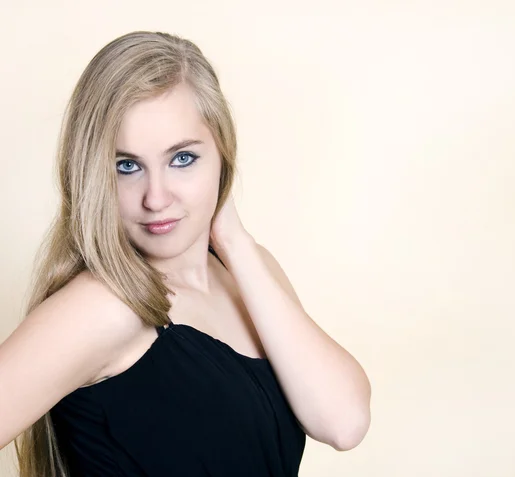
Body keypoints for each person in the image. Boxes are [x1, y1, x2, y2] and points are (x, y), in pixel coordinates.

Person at [0, 31, 372, 476]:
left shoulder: (249, 274)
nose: (156, 198)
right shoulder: (102, 307)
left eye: (182, 159)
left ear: (222, 152)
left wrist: (234, 240)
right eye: (126, 166)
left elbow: (344, 423)